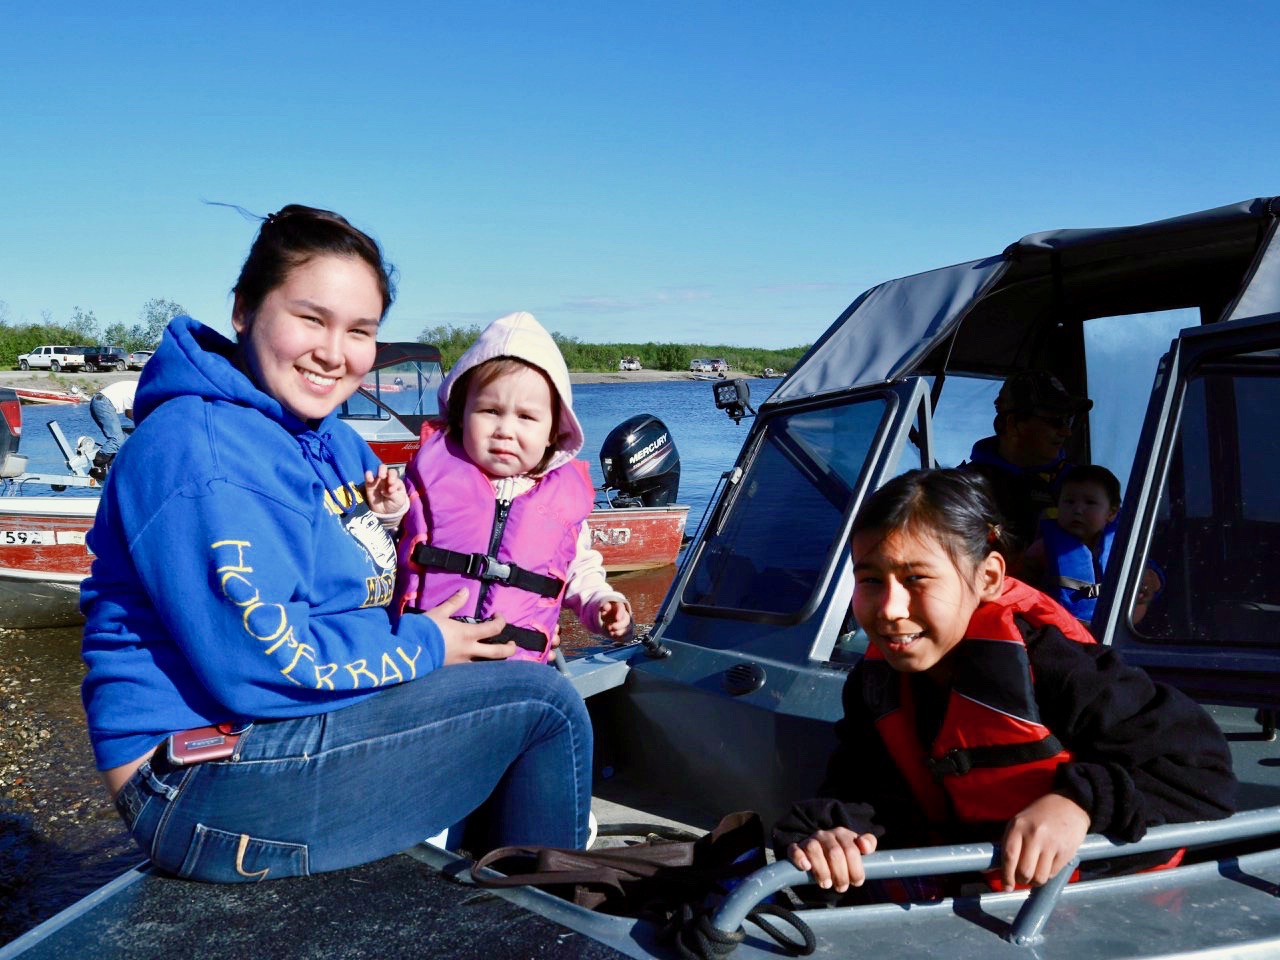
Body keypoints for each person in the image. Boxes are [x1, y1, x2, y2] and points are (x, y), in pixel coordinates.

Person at [80, 205, 593, 884]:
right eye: (310, 319)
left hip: (289, 726)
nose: (334, 352)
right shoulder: (200, 453)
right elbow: (266, 665)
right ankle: (550, 926)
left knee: (514, 688)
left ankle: (494, 898)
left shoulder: (335, 443)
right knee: (545, 708)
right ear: (244, 310)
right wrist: (428, 644)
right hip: (194, 778)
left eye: (359, 330)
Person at [773, 468, 1235, 897]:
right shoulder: (874, 685)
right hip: (973, 907)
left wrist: (1079, 803)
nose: (890, 609)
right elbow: (863, 789)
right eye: (871, 580)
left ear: (989, 577)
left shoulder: (1056, 667)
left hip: (1104, 908)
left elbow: (1204, 776)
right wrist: (834, 831)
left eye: (916, 578)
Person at [393, 311, 631, 661]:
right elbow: (384, 540)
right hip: (427, 657)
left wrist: (601, 602)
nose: (505, 430)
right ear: (461, 415)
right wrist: (387, 511)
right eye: (490, 411)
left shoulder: (561, 502)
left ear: (553, 432)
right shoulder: (425, 480)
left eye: (526, 417)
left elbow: (579, 569)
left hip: (515, 667)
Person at [962, 370, 1093, 569]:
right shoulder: (963, 487)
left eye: (1069, 420)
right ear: (1013, 424)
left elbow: (1118, 547)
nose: (1066, 432)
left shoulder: (1085, 485)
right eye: (1055, 421)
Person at [1024, 464, 1120, 625]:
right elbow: (1022, 585)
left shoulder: (1124, 548)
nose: (1078, 509)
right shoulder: (1042, 549)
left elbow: (1147, 586)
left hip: (1109, 630)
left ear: (1111, 513)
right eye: (1069, 501)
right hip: (1058, 629)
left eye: (1090, 502)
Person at [87, 378, 138, 479]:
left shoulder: (141, 388)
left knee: (123, 438)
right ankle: (97, 465)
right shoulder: (147, 392)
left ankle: (109, 469)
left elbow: (128, 413)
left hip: (100, 401)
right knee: (117, 440)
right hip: (103, 403)